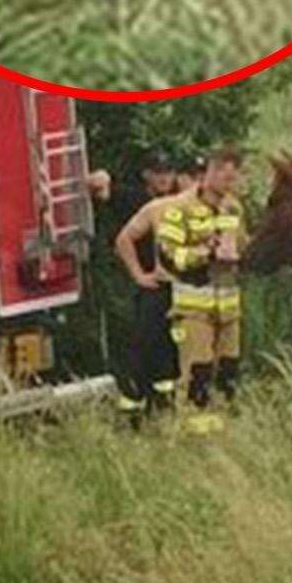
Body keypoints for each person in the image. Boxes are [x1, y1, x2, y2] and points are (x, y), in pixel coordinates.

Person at [152, 149, 249, 431]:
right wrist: (207, 252)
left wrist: (239, 253)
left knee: (228, 375)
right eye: (220, 171)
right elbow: (169, 257)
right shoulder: (179, 207)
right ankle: (194, 436)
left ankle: (224, 434)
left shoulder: (234, 208)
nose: (227, 180)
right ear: (205, 174)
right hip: (193, 309)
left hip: (229, 309)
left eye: (233, 174)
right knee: (198, 374)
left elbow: (243, 245)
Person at [112, 153, 192, 422]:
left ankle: (168, 408)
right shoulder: (145, 204)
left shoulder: (192, 206)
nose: (164, 178)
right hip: (156, 289)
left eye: (169, 172)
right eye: (158, 172)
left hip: (186, 291)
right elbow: (123, 239)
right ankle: (134, 411)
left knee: (176, 352)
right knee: (144, 348)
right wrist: (139, 275)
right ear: (146, 174)